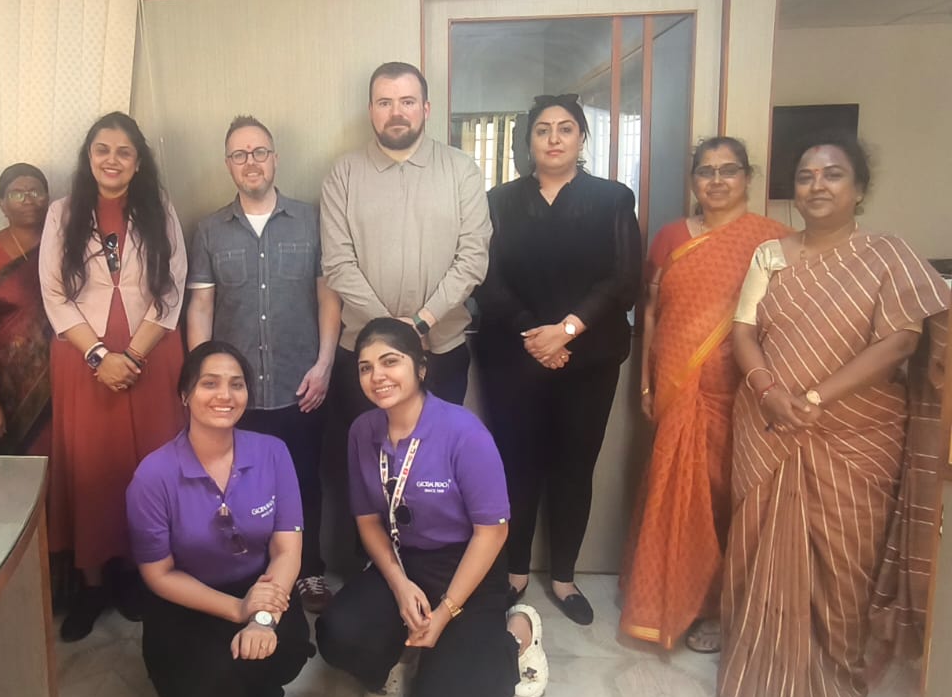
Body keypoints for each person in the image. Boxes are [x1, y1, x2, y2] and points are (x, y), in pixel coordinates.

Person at [719, 135, 947, 697]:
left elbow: (900, 341)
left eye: (833, 174)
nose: (816, 185)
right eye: (805, 176)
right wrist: (770, 393)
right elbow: (745, 332)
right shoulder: (770, 255)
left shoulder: (887, 256)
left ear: (860, 189)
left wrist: (816, 398)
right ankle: (758, 669)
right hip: (768, 424)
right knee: (757, 546)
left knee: (845, 557)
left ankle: (836, 674)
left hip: (855, 431)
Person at [316, 318, 545, 697]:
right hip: (403, 562)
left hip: (467, 569)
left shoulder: (463, 432)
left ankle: (517, 633)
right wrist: (400, 585)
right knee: (337, 634)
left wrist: (444, 613)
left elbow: (493, 533)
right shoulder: (362, 431)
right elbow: (368, 521)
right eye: (365, 367)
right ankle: (404, 653)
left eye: (390, 361)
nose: (377, 376)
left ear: (420, 368)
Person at [474, 93, 640, 626]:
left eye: (565, 128)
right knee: (515, 465)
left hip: (590, 358)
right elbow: (486, 278)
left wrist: (566, 330)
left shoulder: (612, 199)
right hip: (513, 355)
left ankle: (564, 578)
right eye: (542, 129)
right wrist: (535, 335)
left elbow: (624, 278)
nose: (553, 138)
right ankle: (514, 573)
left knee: (574, 467)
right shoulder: (499, 201)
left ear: (581, 137)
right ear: (528, 140)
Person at [619, 138, 788, 652]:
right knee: (676, 488)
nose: (716, 181)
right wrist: (647, 380)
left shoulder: (773, 240)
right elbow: (652, 312)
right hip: (677, 382)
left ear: (747, 177)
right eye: (706, 171)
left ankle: (718, 605)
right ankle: (669, 597)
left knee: (727, 494)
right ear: (693, 179)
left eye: (728, 170)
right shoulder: (671, 236)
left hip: (741, 388)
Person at [40, 111, 187, 641]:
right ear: (88, 156)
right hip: (85, 361)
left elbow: (172, 288)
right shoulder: (62, 213)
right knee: (92, 469)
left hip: (152, 354)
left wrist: (134, 356)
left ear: (138, 161)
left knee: (147, 467)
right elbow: (54, 294)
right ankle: (92, 583)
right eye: (102, 149)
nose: (112, 160)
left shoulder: (159, 209)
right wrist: (102, 357)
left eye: (124, 152)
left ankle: (135, 574)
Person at [126, 341, 314, 697]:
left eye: (237, 384)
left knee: (288, 643)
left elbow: (287, 549)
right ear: (185, 394)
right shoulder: (153, 475)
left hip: (260, 584)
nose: (225, 395)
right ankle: (213, 686)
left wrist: (262, 618)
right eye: (209, 383)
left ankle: (261, 695)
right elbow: (158, 574)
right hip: (186, 598)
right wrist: (237, 610)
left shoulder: (272, 452)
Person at [186, 115, 341, 613]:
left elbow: (328, 297)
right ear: (228, 164)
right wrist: (201, 382)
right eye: (239, 154)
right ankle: (250, 573)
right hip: (236, 394)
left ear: (275, 158)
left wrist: (324, 364)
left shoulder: (312, 220)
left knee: (303, 482)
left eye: (259, 152)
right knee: (238, 487)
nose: (250, 162)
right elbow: (201, 308)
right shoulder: (209, 230)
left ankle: (308, 571)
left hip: (302, 385)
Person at [321, 61, 490, 417]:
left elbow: (473, 259)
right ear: (371, 110)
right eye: (385, 103)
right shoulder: (344, 174)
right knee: (368, 448)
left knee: (437, 449)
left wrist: (422, 321)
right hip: (364, 353)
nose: (396, 112)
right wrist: (391, 332)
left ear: (426, 109)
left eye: (407, 102)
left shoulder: (461, 171)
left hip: (440, 351)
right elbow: (337, 265)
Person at [0, 163, 53, 456]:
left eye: (35, 192)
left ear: (48, 198)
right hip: (7, 384)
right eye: (17, 194)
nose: (28, 199)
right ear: (2, 204)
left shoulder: (66, 244)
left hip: (62, 377)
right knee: (11, 468)